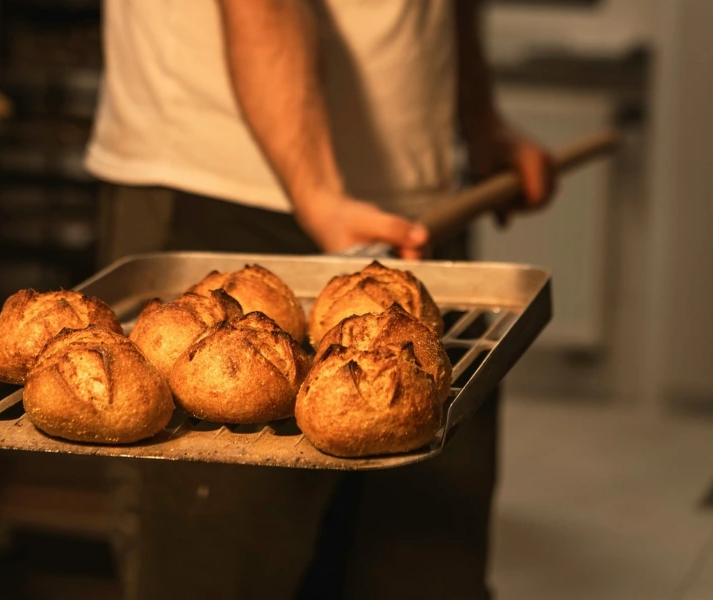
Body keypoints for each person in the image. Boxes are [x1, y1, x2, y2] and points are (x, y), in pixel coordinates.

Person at [85, 1, 557, 598]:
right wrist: (316, 191)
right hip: (224, 180)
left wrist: (479, 116)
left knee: (426, 562)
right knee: (220, 566)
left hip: (416, 204)